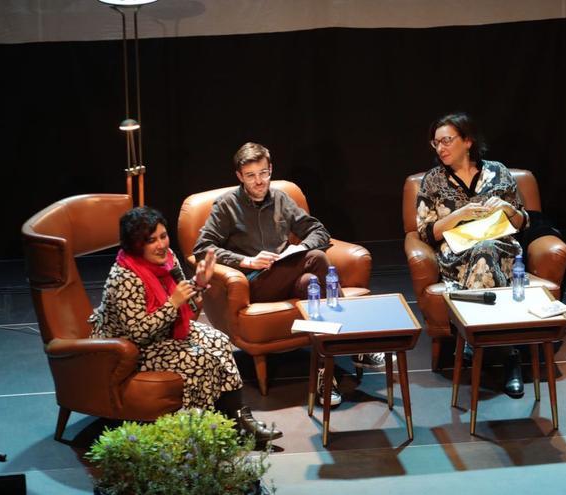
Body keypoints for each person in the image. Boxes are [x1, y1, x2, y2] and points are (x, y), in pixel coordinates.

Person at [192, 142, 383, 407]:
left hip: (289, 277)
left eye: (263, 173)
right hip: (255, 284)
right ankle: (356, 342)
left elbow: (318, 230)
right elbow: (202, 249)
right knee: (316, 259)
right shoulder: (226, 205)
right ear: (239, 176)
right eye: (251, 175)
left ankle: (324, 377)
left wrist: (300, 247)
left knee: (312, 282)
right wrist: (246, 261)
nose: (259, 181)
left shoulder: (280, 198)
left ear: (270, 169)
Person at [88, 206, 282, 446]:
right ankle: (195, 428)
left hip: (164, 331)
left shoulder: (167, 259)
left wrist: (199, 283)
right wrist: (172, 303)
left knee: (219, 341)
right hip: (128, 349)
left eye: (163, 236)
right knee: (198, 359)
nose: (161, 244)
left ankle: (237, 418)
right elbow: (136, 333)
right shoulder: (124, 276)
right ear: (136, 245)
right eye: (151, 240)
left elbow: (189, 308)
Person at [415, 112, 529, 397]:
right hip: (458, 254)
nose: (440, 148)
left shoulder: (499, 172)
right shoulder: (433, 181)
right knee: (481, 252)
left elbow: (522, 223)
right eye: (436, 143)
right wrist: (459, 215)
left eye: (446, 141)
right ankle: (509, 354)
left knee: (488, 249)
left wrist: (507, 208)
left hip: (501, 249)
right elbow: (425, 232)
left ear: (467, 141)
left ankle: (472, 340)